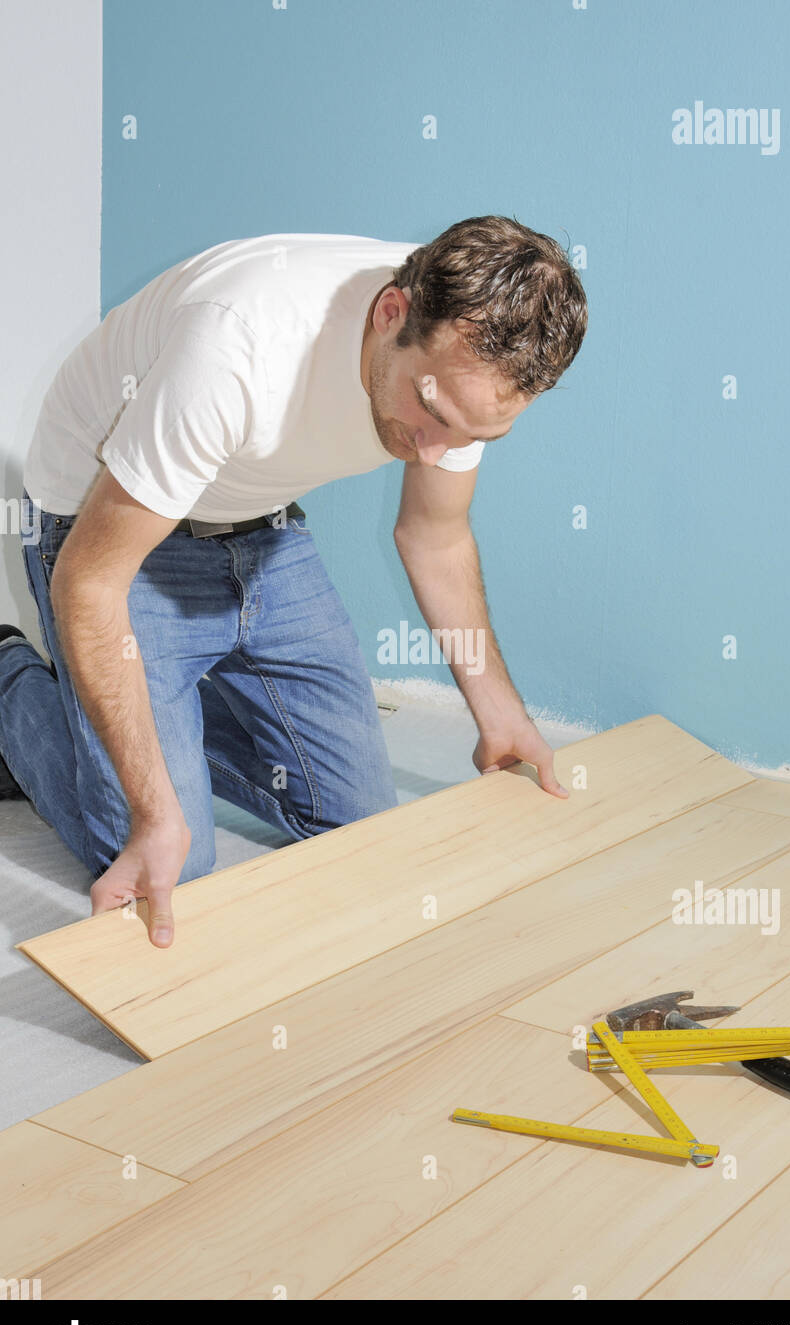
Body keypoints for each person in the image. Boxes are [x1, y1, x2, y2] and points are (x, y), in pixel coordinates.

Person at [0, 214, 588, 947]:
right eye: (431, 416)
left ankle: (161, 704)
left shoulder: (465, 371)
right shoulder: (238, 343)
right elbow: (89, 584)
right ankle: (11, 681)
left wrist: (499, 715)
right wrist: (155, 814)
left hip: (263, 530)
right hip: (108, 529)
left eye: (474, 437)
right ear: (391, 313)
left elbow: (434, 536)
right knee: (170, 867)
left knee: (363, 825)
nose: (436, 456)